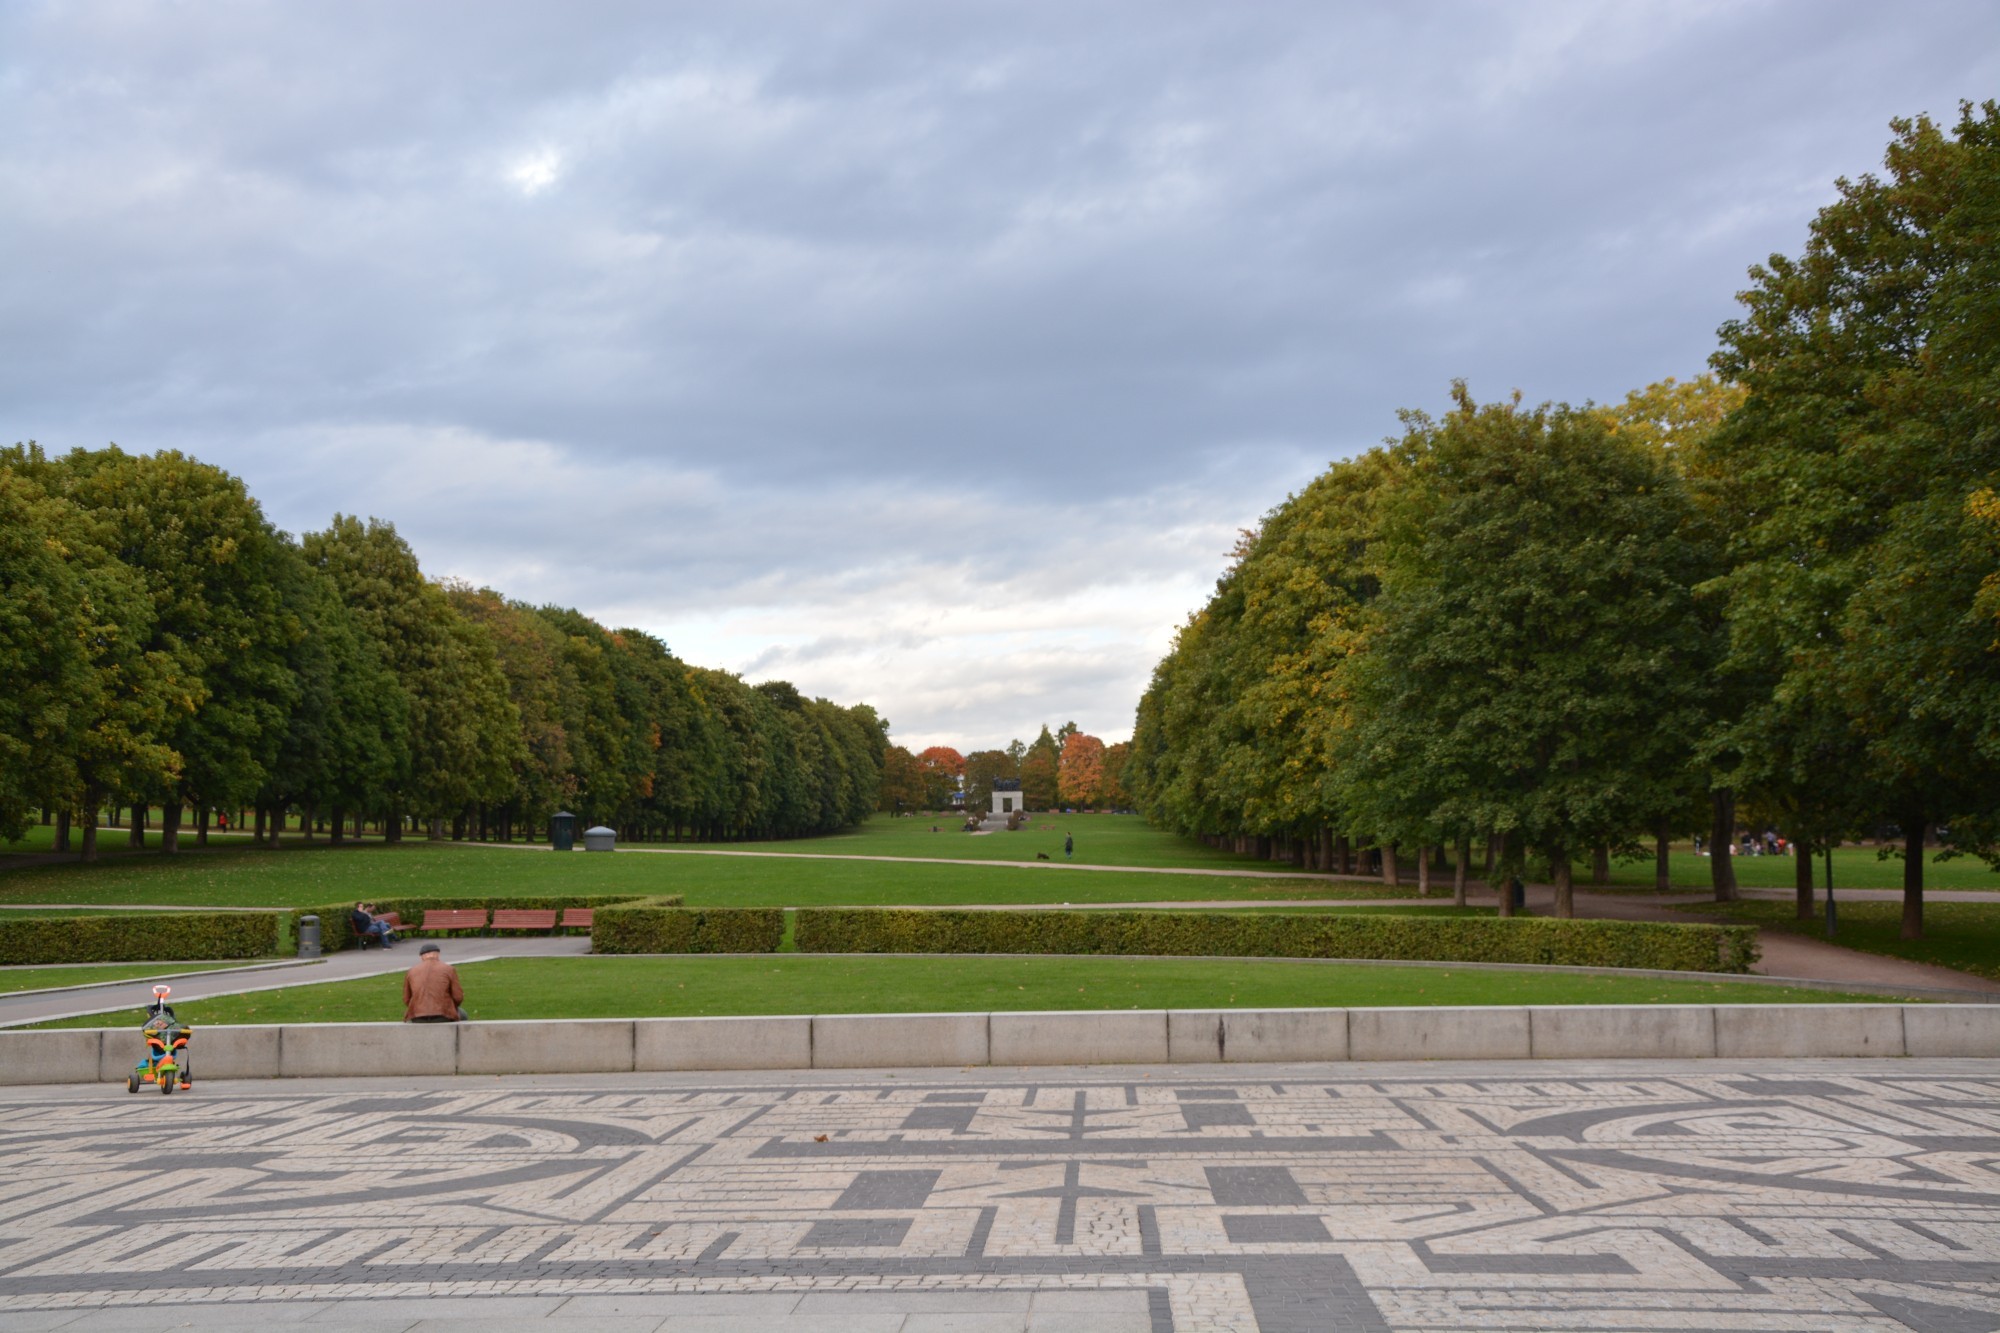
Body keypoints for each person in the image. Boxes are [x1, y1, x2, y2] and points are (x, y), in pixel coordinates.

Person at [404, 943, 464, 1023]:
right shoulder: (449, 969)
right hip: (443, 1015)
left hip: (418, 1016)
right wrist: (452, 1007)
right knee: (463, 1014)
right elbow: (458, 997)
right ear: (437, 954)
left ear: (422, 956)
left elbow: (406, 998)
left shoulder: (411, 971)